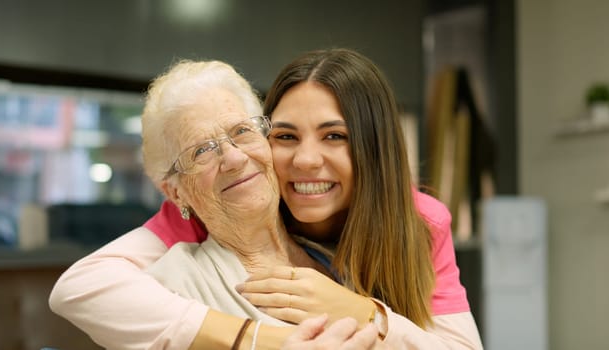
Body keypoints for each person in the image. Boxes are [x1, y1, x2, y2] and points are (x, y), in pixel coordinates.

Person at [50, 49, 482, 349]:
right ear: (174, 189)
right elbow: (80, 288)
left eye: (241, 132)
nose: (235, 158)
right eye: (201, 149)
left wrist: (367, 315)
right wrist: (257, 341)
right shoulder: (176, 265)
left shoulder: (402, 226)